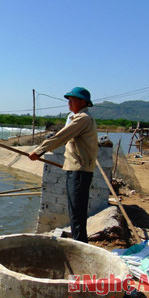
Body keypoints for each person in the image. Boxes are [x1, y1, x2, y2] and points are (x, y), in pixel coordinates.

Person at [28, 87, 98, 243]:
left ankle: (80, 247)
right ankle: (79, 243)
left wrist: (39, 151)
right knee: (75, 211)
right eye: (69, 100)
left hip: (79, 171)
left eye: (72, 99)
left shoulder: (83, 119)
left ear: (83, 102)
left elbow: (61, 137)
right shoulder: (79, 118)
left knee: (77, 213)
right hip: (75, 169)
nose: (69, 103)